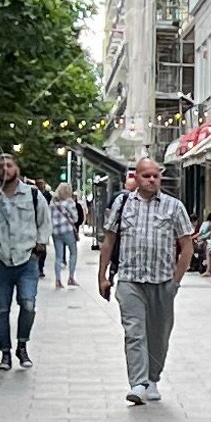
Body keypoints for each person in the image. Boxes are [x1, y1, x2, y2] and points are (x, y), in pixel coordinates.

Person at [97, 158, 195, 406]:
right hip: (130, 279)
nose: (151, 180)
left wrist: (176, 281)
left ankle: (153, 377)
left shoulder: (174, 207)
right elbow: (108, 241)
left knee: (159, 335)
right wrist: (102, 276)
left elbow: (187, 247)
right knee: (134, 332)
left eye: (155, 176)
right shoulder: (122, 205)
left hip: (162, 281)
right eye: (146, 176)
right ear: (136, 178)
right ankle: (138, 383)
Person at [0, 154, 51, 370]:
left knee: (28, 305)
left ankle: (22, 345)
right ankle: (5, 353)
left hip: (27, 259)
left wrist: (39, 246)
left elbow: (44, 221)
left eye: (9, 165)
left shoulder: (33, 195)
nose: (5, 169)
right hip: (0, 261)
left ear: (17, 168)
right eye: (1, 166)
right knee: (1, 309)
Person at [49, 184, 83, 287]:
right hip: (67, 230)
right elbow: (76, 218)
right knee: (73, 253)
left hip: (55, 232)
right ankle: (71, 278)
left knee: (58, 256)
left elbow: (49, 217)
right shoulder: (70, 202)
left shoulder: (53, 203)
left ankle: (58, 280)